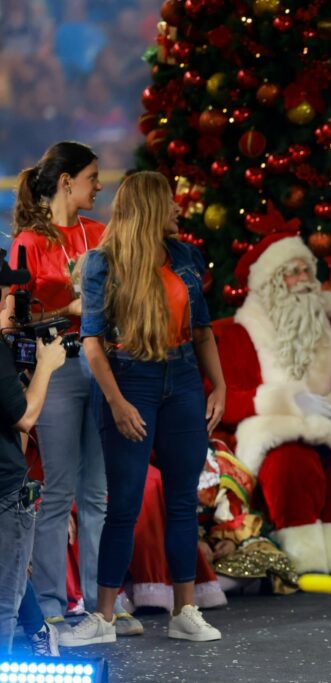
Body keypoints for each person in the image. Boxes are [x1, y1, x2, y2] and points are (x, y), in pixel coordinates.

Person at [62, 171, 226, 646]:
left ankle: (185, 611)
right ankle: (103, 617)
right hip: (130, 378)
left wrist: (220, 386)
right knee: (125, 504)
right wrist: (116, 402)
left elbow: (202, 332)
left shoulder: (185, 256)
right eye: (169, 202)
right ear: (151, 208)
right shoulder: (103, 263)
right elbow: (92, 343)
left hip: (184, 378)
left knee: (182, 501)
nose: (177, 209)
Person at [212, 228, 331, 585]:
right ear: (271, 282)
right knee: (290, 460)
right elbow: (224, 399)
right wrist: (286, 401)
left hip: (329, 426)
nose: (304, 279)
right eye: (293, 272)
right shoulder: (239, 335)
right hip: (278, 432)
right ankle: (305, 558)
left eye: (307, 270)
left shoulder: (328, 329)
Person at [11, 141, 107, 630]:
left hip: (102, 364)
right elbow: (13, 321)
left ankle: (100, 606)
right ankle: (50, 606)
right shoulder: (29, 242)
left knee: (97, 494)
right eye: (92, 177)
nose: (99, 186)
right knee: (59, 490)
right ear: (67, 181)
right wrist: (66, 308)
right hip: (57, 366)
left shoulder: (100, 234)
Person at [0, 256, 67, 654]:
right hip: (5, 490)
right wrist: (46, 366)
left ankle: (39, 631)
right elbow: (24, 418)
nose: (8, 298)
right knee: (4, 598)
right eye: (5, 290)